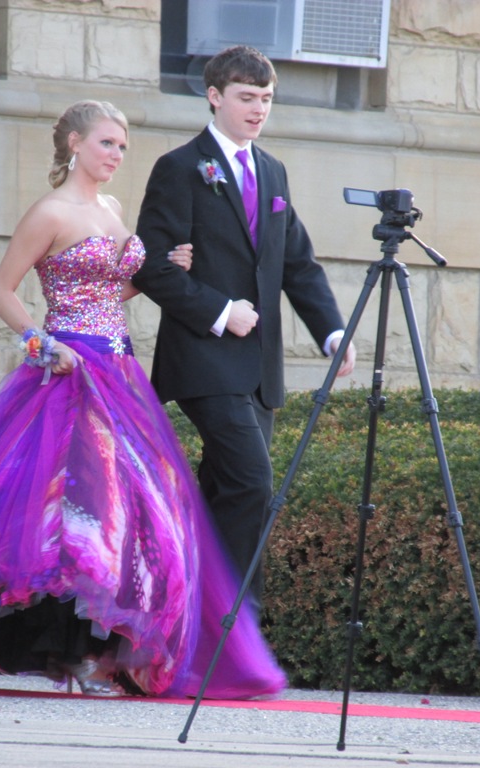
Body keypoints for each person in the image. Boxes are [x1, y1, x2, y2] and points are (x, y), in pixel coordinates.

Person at [0, 100, 285, 700]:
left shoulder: (113, 209)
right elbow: (2, 290)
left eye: (122, 146)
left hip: (118, 371)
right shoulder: (49, 212)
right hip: (68, 371)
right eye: (106, 143)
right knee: (71, 511)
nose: (116, 155)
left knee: (132, 511)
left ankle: (106, 651)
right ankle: (71, 649)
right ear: (74, 143)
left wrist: (162, 270)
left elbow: (112, 291)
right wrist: (40, 344)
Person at [134, 46, 357, 606]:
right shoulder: (180, 167)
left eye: (267, 98)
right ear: (214, 96)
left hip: (259, 369)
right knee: (253, 483)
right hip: (203, 359)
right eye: (246, 97)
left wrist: (332, 332)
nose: (259, 109)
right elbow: (151, 266)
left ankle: (182, 615)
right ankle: (237, 626)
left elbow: (297, 263)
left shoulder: (273, 171)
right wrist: (219, 311)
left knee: (224, 493)